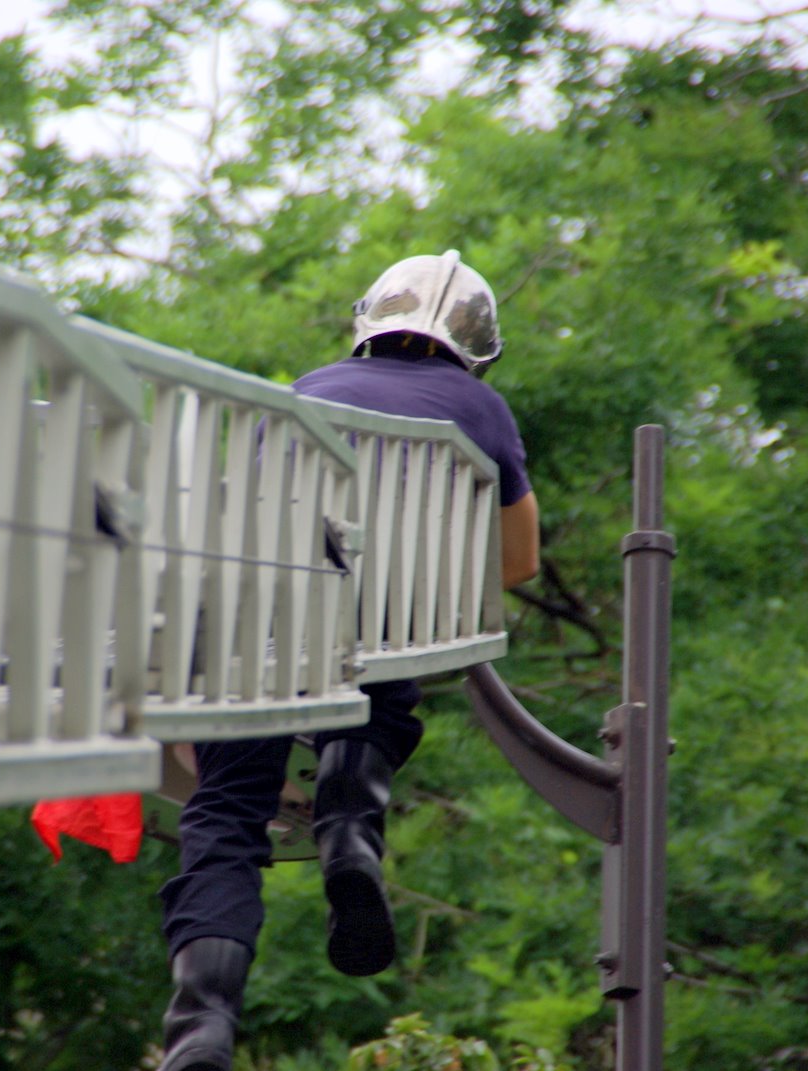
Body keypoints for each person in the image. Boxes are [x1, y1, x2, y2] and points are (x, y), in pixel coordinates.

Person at [155, 251, 541, 1071]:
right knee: (387, 649)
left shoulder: (306, 390)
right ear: (474, 347)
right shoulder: (483, 409)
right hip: (373, 637)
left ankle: (202, 1027)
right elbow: (518, 563)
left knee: (224, 812)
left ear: (371, 324)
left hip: (248, 629)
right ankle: (349, 832)